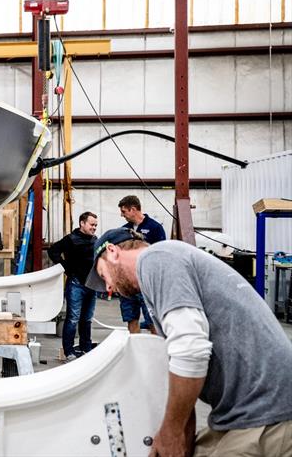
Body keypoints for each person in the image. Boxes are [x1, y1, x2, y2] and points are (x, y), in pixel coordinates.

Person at [87, 228, 292, 457]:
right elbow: (182, 362)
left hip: (267, 410)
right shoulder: (164, 264)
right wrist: (182, 433)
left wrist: (170, 432)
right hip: (246, 408)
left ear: (113, 252)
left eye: (104, 275)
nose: (108, 288)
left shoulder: (156, 259)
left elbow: (191, 350)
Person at [47, 211, 99, 362]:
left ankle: (86, 348)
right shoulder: (71, 239)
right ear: (82, 223)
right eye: (91, 224)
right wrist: (64, 266)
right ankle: (69, 351)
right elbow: (53, 250)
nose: (94, 228)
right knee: (72, 319)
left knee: (87, 319)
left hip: (91, 285)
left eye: (95, 225)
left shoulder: (95, 240)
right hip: (76, 285)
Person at [118, 195, 166, 334]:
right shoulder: (123, 230)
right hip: (128, 284)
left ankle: (157, 353)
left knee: (153, 321)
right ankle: (136, 353)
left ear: (133, 209)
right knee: (131, 319)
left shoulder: (155, 228)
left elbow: (161, 255)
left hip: (147, 283)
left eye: (124, 211)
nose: (122, 215)